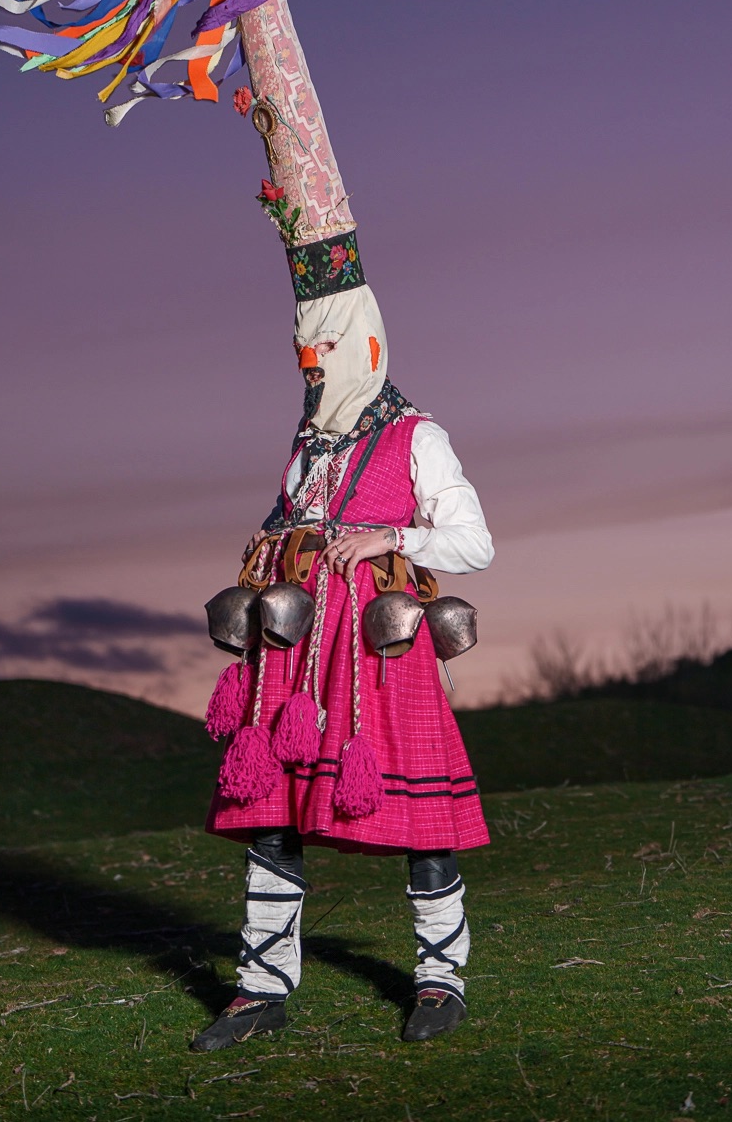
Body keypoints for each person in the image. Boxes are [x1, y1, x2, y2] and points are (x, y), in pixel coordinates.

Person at [192, 277, 493, 1050]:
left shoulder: (417, 435)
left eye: (325, 347)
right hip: (297, 657)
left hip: (377, 647)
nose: (311, 364)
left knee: (422, 817)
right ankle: (260, 990)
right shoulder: (306, 443)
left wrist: (395, 538)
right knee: (273, 809)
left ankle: (440, 982)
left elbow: (474, 543)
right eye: (304, 350)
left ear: (365, 347)